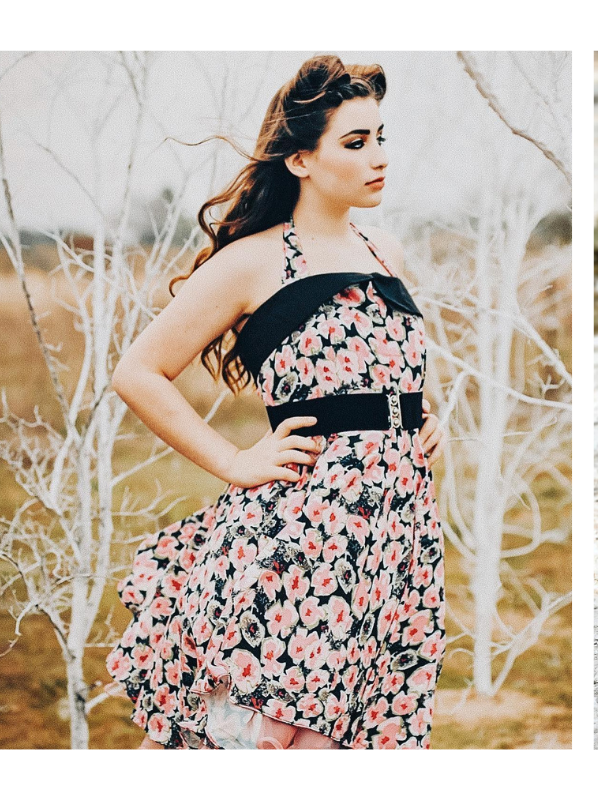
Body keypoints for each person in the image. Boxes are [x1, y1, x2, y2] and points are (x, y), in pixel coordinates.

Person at [103, 55, 447, 749]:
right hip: (303, 531)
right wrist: (233, 460)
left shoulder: (385, 250)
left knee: (344, 733)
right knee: (254, 734)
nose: (379, 157)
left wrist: (421, 414)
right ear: (301, 160)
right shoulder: (253, 260)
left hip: (394, 532)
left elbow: (391, 360)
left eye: (381, 137)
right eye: (355, 143)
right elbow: (138, 371)